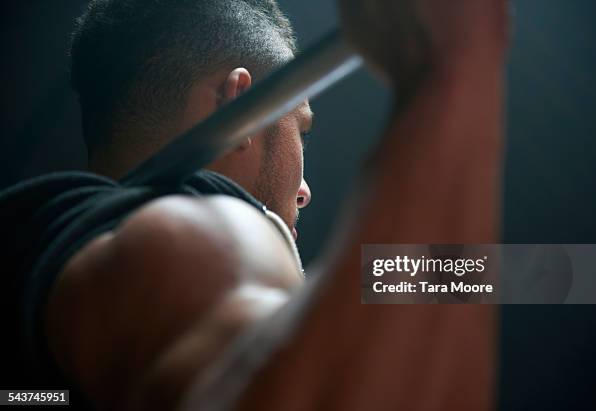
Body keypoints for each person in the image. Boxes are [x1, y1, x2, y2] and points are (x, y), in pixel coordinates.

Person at [0, 0, 510, 409]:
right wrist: (454, 71)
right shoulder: (193, 233)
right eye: (300, 129)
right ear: (236, 101)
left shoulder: (38, 258)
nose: (305, 189)